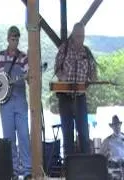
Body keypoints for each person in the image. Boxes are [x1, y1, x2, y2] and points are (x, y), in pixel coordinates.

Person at [0, 26, 31, 180]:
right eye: (13, 39)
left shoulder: (24, 57)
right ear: (8, 39)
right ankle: (12, 170)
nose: (15, 41)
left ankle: (27, 171)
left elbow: (30, 76)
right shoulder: (0, 57)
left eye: (17, 39)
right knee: (9, 137)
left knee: (24, 135)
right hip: (5, 102)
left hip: (20, 99)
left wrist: (29, 77)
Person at [54, 22, 97, 156]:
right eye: (78, 36)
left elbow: (93, 75)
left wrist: (93, 76)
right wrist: (63, 76)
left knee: (83, 133)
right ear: (73, 35)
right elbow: (57, 69)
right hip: (65, 97)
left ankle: (85, 168)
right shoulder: (64, 49)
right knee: (67, 134)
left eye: (82, 36)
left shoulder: (87, 52)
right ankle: (69, 168)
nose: (80, 39)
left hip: (80, 97)